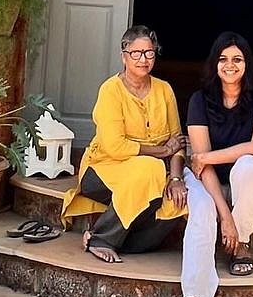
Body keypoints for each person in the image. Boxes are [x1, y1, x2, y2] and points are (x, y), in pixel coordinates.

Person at [162, 31, 253, 297]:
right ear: (214, 64)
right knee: (201, 211)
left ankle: (241, 243)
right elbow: (202, 169)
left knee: (246, 165)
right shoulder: (200, 100)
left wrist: (206, 157)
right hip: (212, 183)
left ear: (247, 63)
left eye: (237, 59)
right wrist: (224, 216)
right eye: (223, 59)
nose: (230, 65)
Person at [61, 25, 187, 263]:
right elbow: (115, 147)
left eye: (149, 53)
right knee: (150, 169)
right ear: (124, 56)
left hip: (151, 176)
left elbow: (178, 142)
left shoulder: (164, 90)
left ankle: (104, 238)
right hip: (102, 171)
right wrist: (161, 150)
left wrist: (176, 179)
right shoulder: (111, 90)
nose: (143, 59)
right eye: (136, 53)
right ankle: (103, 239)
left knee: (176, 203)